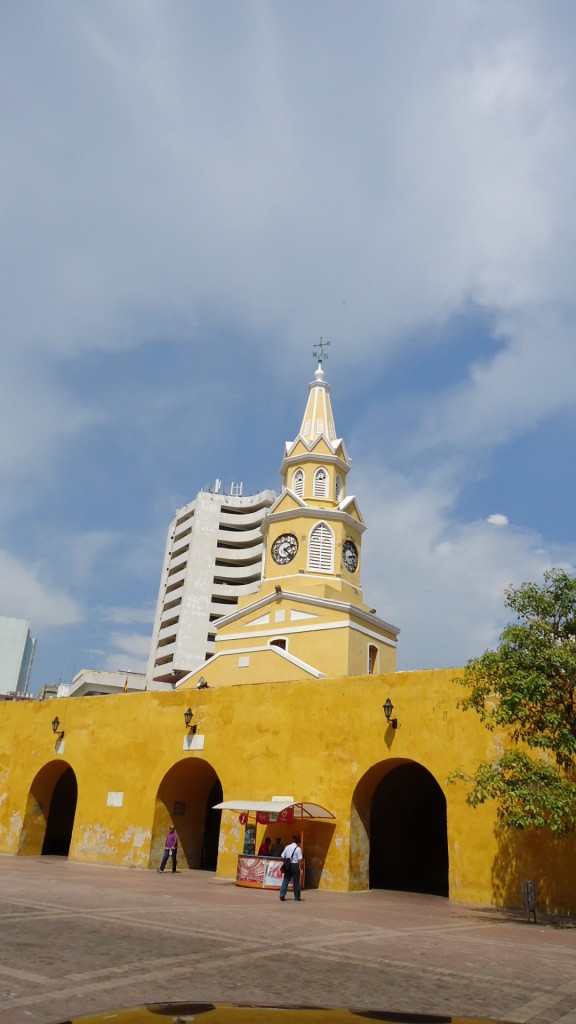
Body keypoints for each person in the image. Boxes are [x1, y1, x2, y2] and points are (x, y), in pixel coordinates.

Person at [279, 834, 302, 901]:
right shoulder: (298, 849)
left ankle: (282, 895)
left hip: (288, 866)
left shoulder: (287, 847)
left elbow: (282, 856)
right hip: (295, 865)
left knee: (286, 880)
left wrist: (286, 862)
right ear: (298, 842)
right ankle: (297, 897)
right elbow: (300, 860)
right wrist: (301, 868)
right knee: (296, 881)